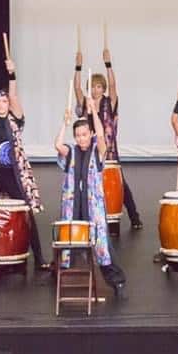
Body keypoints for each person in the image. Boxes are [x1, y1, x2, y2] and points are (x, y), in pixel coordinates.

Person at [0, 54, 46, 286]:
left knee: (26, 213)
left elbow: (14, 94)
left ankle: (40, 259)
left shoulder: (16, 120)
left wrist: (12, 73)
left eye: (4, 101)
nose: (1, 104)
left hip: (13, 175)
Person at [54, 99, 128, 299]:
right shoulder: (71, 152)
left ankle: (117, 281)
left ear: (91, 135)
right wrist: (65, 122)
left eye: (84, 134)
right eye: (77, 135)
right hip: (73, 205)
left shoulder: (97, 151)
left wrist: (94, 111)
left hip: (92, 206)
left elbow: (103, 135)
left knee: (101, 244)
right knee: (67, 239)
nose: (81, 138)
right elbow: (57, 144)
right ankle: (59, 274)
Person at [74, 43, 143, 230]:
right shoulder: (86, 104)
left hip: (109, 150)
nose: (95, 90)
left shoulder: (109, 102)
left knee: (119, 183)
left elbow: (114, 85)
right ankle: (87, 217)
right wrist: (78, 66)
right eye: (93, 86)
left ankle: (134, 216)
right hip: (89, 150)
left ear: (102, 88)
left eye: (98, 86)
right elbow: (76, 88)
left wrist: (108, 63)